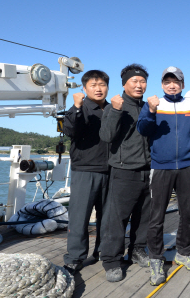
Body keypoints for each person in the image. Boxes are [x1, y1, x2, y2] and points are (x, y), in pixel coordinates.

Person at [137, 67, 190, 285]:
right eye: (167, 81)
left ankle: (184, 252)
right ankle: (156, 258)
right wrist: (151, 111)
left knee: (187, 214)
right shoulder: (155, 104)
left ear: (183, 85)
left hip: (186, 167)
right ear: (162, 84)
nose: (172, 85)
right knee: (156, 216)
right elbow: (143, 129)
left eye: (176, 81)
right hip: (161, 168)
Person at [99, 64, 152, 282]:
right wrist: (116, 111)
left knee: (144, 216)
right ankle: (111, 260)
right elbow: (106, 136)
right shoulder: (115, 105)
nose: (139, 85)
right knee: (116, 219)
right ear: (125, 84)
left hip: (147, 169)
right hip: (123, 170)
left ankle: (137, 250)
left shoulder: (148, 106)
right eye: (134, 81)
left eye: (142, 81)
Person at [62, 70, 110, 274]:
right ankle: (75, 257)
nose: (98, 89)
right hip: (84, 170)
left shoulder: (113, 109)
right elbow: (70, 130)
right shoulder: (78, 109)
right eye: (93, 85)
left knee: (108, 217)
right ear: (84, 88)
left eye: (102, 85)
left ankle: (104, 251)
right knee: (79, 216)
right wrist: (77, 106)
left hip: (111, 169)